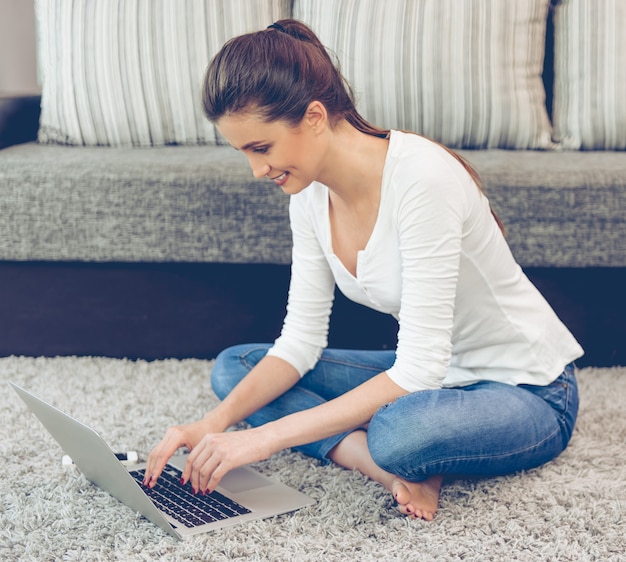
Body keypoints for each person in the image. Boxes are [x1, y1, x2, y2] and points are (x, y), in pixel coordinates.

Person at [144, 19, 583, 521]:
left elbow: (416, 370)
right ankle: (382, 467)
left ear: (313, 117)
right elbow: (299, 344)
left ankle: (393, 453)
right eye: (243, 152)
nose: (256, 171)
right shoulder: (308, 195)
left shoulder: (422, 179)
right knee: (234, 371)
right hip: (436, 379)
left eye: (260, 148)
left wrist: (262, 440)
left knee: (399, 433)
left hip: (528, 389)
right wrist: (213, 425)